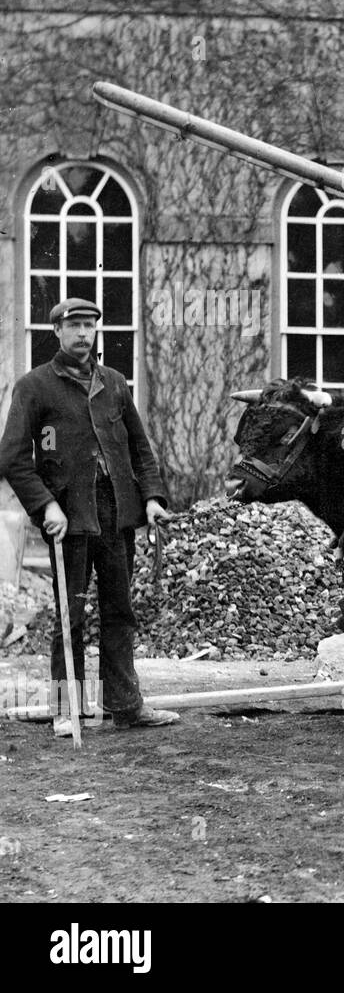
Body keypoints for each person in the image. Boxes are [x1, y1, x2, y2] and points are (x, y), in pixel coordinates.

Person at [0, 298, 178, 734]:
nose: (83, 334)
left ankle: (126, 706)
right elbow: (13, 458)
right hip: (70, 516)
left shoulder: (114, 383)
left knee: (120, 612)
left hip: (117, 513)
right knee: (70, 616)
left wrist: (153, 498)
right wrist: (46, 506)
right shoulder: (34, 387)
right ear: (57, 331)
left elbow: (140, 447)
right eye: (74, 326)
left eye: (89, 326)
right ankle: (67, 710)